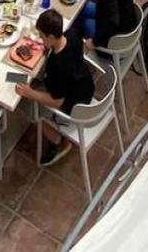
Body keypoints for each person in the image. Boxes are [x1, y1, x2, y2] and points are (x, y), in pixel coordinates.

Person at [15, 9, 94, 166]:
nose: (40, 38)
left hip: (74, 104)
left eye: (42, 36)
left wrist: (30, 93)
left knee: (24, 105)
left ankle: (58, 141)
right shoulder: (72, 35)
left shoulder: (58, 65)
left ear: (51, 37)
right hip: (85, 87)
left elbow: (57, 101)